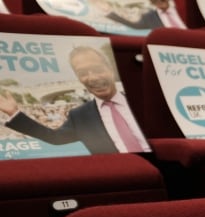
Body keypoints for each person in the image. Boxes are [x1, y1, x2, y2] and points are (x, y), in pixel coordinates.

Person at [0, 46, 149, 154]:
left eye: (97, 69)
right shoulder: (79, 116)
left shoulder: (142, 99)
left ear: (110, 69)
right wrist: (14, 113)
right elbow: (55, 138)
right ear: (78, 78)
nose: (93, 77)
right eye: (83, 73)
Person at [99, 0, 185, 30]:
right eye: (155, 1)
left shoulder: (184, 8)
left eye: (162, 0)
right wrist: (110, 14)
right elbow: (135, 25)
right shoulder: (149, 16)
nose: (160, 3)